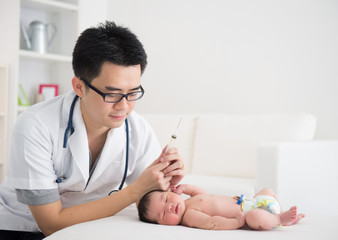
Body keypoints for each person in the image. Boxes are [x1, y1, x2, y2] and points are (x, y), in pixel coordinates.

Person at [0, 21, 185, 239]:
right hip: (23, 228)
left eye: (133, 93)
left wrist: (165, 182)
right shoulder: (34, 126)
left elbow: (149, 196)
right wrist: (135, 191)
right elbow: (50, 224)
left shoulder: (137, 129)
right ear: (79, 86)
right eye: (112, 94)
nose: (124, 107)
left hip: (90, 226)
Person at [137, 184, 305, 230]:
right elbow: (212, 222)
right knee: (254, 217)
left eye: (166, 199)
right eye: (163, 214)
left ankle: (281, 212)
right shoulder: (189, 216)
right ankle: (279, 218)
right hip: (248, 212)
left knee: (267, 191)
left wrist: (185, 188)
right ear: (163, 225)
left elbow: (203, 195)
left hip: (251, 201)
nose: (169, 207)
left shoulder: (188, 202)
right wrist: (236, 223)